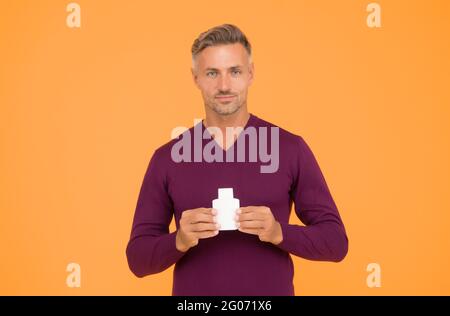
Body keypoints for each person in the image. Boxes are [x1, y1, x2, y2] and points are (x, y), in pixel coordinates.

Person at [126, 24, 348, 295]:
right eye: (212, 73)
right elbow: (137, 260)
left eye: (235, 71)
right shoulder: (168, 158)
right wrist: (179, 240)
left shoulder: (289, 149)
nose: (224, 85)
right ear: (195, 77)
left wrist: (279, 232)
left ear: (250, 74)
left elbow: (336, 244)